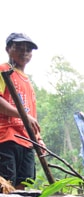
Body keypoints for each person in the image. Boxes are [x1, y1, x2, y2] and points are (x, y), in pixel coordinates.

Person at [0, 32, 44, 189]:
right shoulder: (3, 70)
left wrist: (38, 139)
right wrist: (23, 115)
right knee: (5, 183)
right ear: (8, 49)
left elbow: (32, 114)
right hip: (6, 137)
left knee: (23, 183)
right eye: (18, 47)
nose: (24, 52)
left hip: (27, 140)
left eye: (28, 50)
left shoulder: (27, 81)